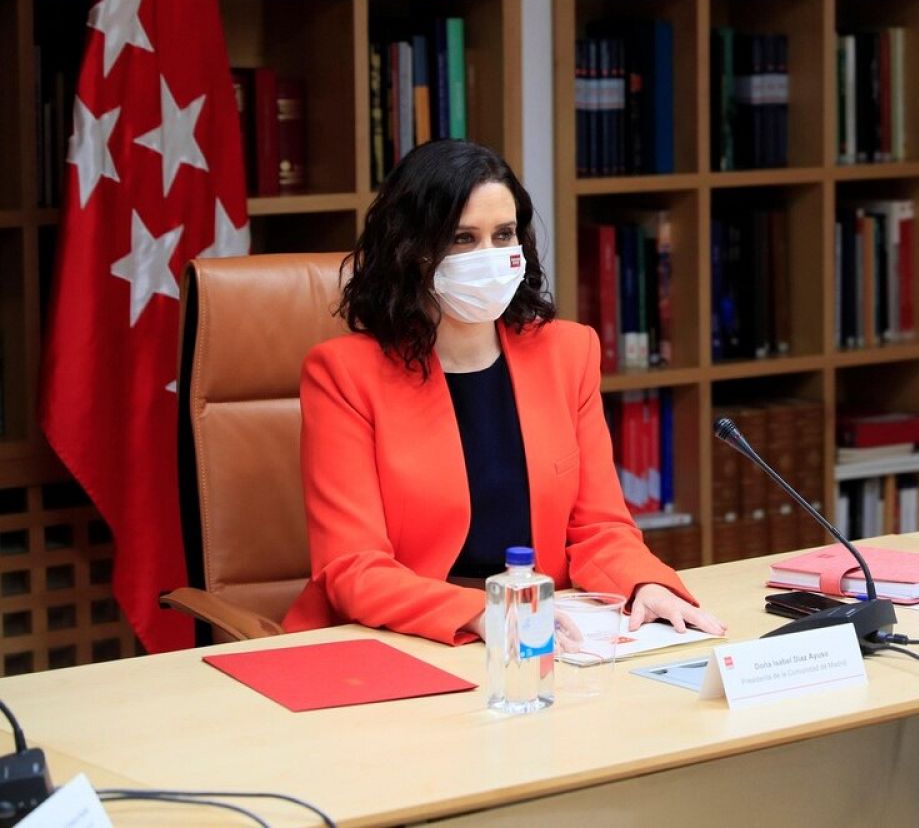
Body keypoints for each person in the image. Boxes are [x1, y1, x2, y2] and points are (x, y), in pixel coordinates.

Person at [282, 140, 724, 645]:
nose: (489, 257)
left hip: (544, 629)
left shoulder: (568, 352)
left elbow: (600, 528)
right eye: (463, 239)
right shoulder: (343, 374)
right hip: (405, 637)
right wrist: (484, 614)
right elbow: (352, 568)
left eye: (503, 235)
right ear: (412, 250)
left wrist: (643, 582)